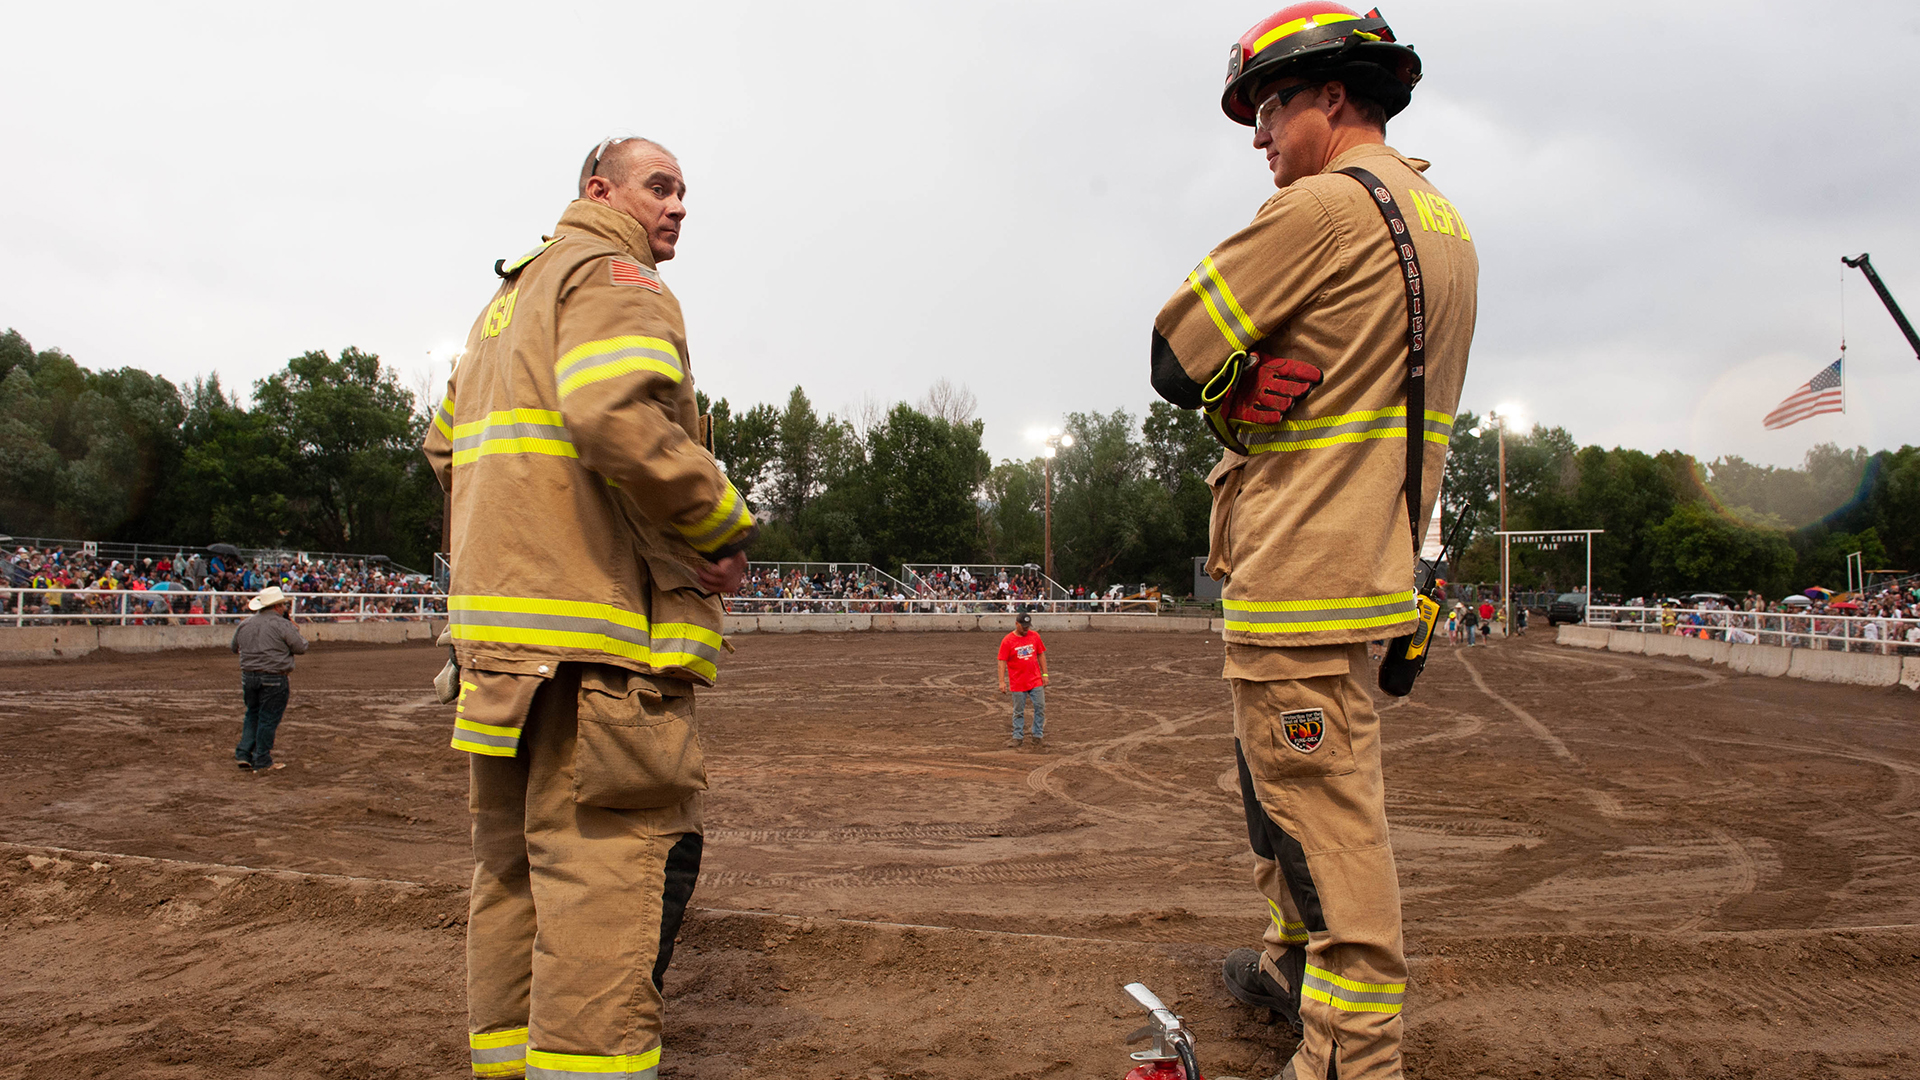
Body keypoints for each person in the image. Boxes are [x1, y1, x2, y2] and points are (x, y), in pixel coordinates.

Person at [1148, 6, 1477, 1078]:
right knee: (1280, 801)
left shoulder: (1325, 209)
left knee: (1329, 835)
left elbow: (1173, 347)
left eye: (1270, 109)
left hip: (1304, 569)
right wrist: (1251, 402)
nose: (1259, 140)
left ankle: (1346, 1056)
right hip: (1371, 560)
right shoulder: (1440, 216)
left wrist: (1228, 394)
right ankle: (1291, 970)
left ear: (1331, 99)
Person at [424, 134, 756, 1080]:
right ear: (599, 190)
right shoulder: (616, 276)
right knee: (605, 883)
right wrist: (717, 530)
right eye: (661, 185)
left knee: (512, 879)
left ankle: (504, 1064)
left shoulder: (506, 301)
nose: (679, 204)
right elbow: (615, 414)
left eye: (686, 191)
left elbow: (446, 451)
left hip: (498, 662)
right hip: (596, 662)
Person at [229, 584, 308, 771]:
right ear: (277, 606)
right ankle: (262, 758)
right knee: (268, 718)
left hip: (249, 676)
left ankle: (244, 753)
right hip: (274, 676)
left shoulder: (245, 624)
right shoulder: (282, 625)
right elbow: (301, 647)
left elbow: (234, 647)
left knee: (252, 713)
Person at [996, 611, 1050, 750]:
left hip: (1035, 680)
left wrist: (1045, 675)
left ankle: (1037, 736)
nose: (1026, 629)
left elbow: (1041, 655)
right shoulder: (1007, 640)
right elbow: (1002, 661)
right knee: (1018, 711)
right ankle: (1017, 736)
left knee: (1040, 707)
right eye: (1023, 626)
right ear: (1016, 624)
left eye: (1028, 626)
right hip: (1018, 682)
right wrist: (1002, 681)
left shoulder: (1035, 636)